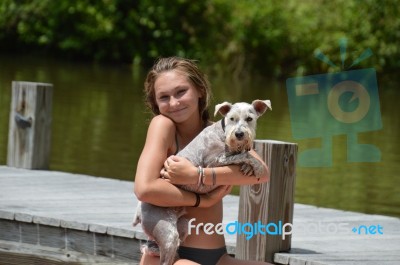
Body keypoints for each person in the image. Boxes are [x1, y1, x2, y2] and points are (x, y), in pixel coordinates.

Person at [134, 56, 272, 265]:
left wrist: (198, 175)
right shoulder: (163, 126)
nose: (174, 102)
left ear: (200, 90)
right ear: (155, 102)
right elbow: (144, 189)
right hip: (171, 257)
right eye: (164, 97)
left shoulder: (221, 130)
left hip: (217, 257)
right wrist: (202, 200)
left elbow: (261, 173)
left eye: (181, 92)